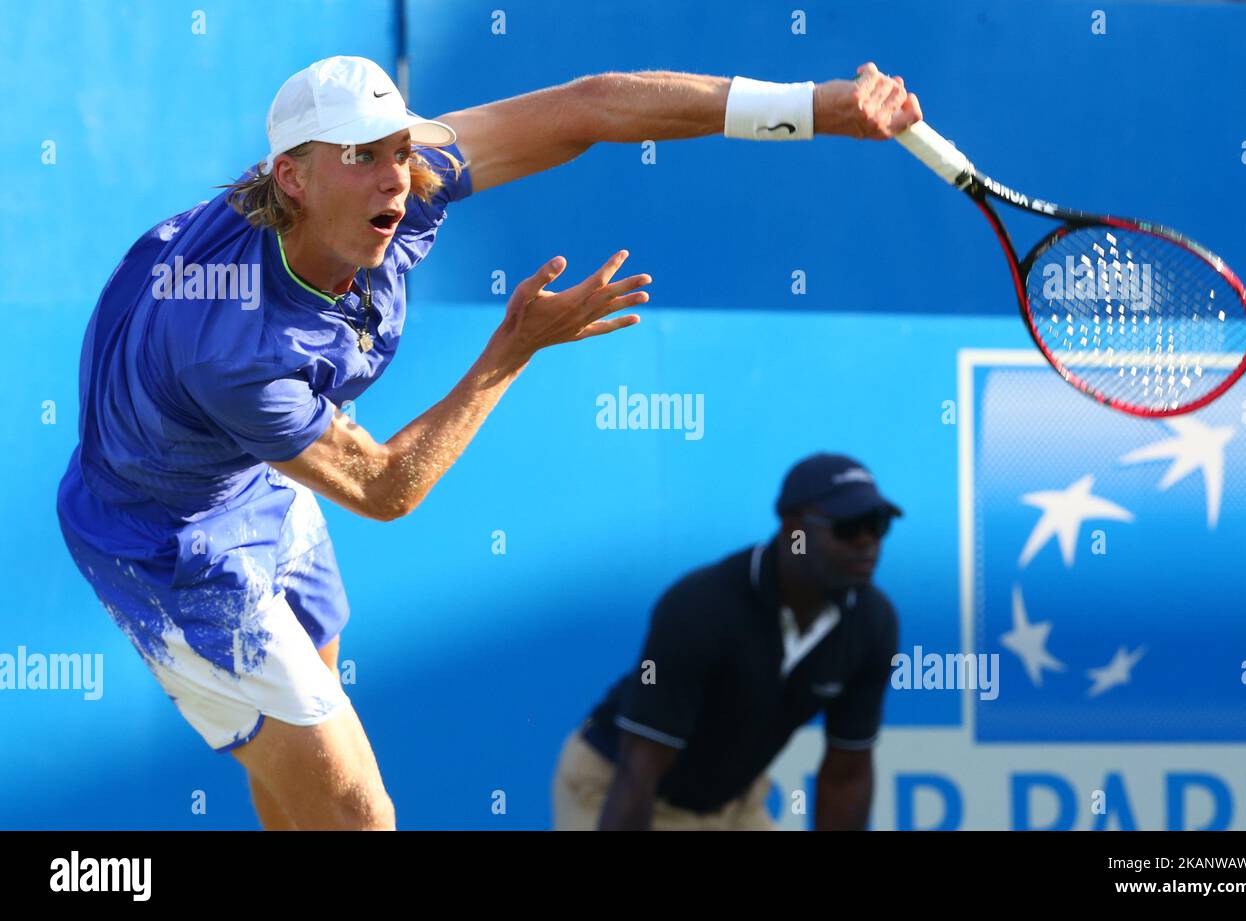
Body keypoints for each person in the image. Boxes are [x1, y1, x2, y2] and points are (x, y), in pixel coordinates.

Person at [55, 54, 921, 831]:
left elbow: (588, 106)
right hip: (166, 538)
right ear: (292, 178)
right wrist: (513, 348)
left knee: (302, 752)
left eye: (398, 148)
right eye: (361, 156)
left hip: (244, 465)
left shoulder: (395, 184)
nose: (395, 178)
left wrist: (814, 107)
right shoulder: (233, 348)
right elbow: (385, 489)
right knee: (358, 814)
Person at [553, 453, 902, 831]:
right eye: (847, 527)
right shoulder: (702, 608)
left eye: (877, 525)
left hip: (734, 807)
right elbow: (639, 770)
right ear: (794, 531)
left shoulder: (872, 622)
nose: (866, 542)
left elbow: (846, 775)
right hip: (620, 789)